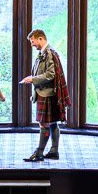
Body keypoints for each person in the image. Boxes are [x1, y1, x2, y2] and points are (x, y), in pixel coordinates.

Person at [21, 30, 70, 162]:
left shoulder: (49, 53)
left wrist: (33, 79)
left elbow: (50, 74)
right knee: (53, 123)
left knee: (44, 124)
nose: (32, 44)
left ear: (40, 38)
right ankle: (54, 151)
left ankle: (39, 153)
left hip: (47, 94)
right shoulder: (44, 53)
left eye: (33, 41)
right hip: (47, 93)